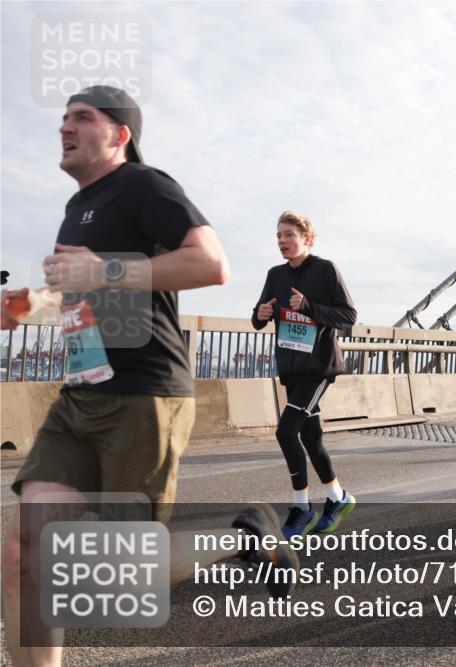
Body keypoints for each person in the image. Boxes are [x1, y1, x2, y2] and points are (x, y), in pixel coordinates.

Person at [0, 86, 293, 667]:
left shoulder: (143, 184)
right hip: (80, 393)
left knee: (118, 580)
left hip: (143, 391)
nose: (65, 127)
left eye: (83, 119)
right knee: (24, 556)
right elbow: (85, 288)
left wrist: (103, 269)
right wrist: (31, 302)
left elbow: (211, 263)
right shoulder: (75, 207)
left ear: (120, 135)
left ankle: (246, 539)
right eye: (63, 118)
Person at [252, 210, 358, 538]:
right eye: (278, 236)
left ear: (306, 239)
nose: (282, 241)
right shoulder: (275, 275)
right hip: (291, 367)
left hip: (318, 367)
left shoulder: (325, 270)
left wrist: (309, 307)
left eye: (288, 235)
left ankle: (301, 507)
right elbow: (258, 318)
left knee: (286, 432)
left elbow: (348, 316)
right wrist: (260, 313)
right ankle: (338, 498)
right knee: (310, 437)